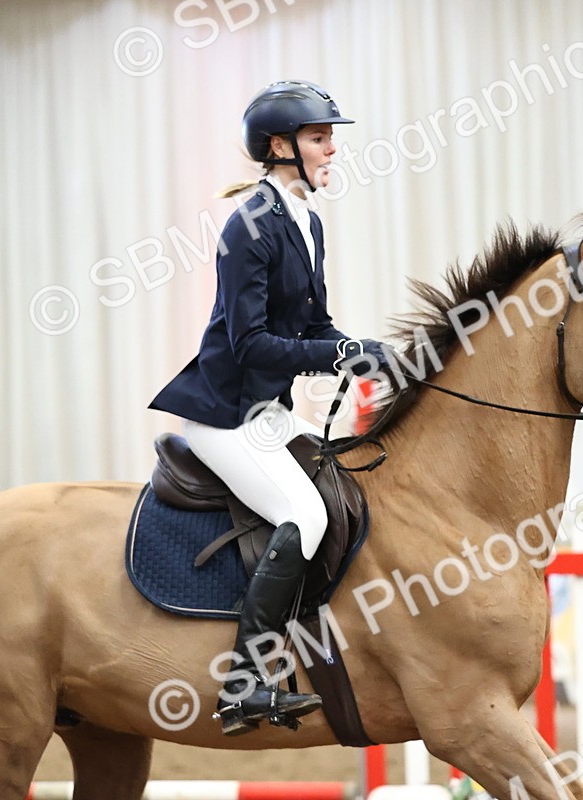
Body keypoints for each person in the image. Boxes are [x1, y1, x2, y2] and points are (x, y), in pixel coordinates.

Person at [149, 80, 384, 735]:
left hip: (268, 411)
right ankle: (245, 684)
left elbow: (314, 326)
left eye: (331, 137)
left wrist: (363, 350)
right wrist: (335, 356)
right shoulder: (247, 225)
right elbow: (249, 344)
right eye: (319, 138)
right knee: (304, 513)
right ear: (280, 147)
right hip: (224, 411)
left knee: (347, 477)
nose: (332, 148)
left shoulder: (306, 221)